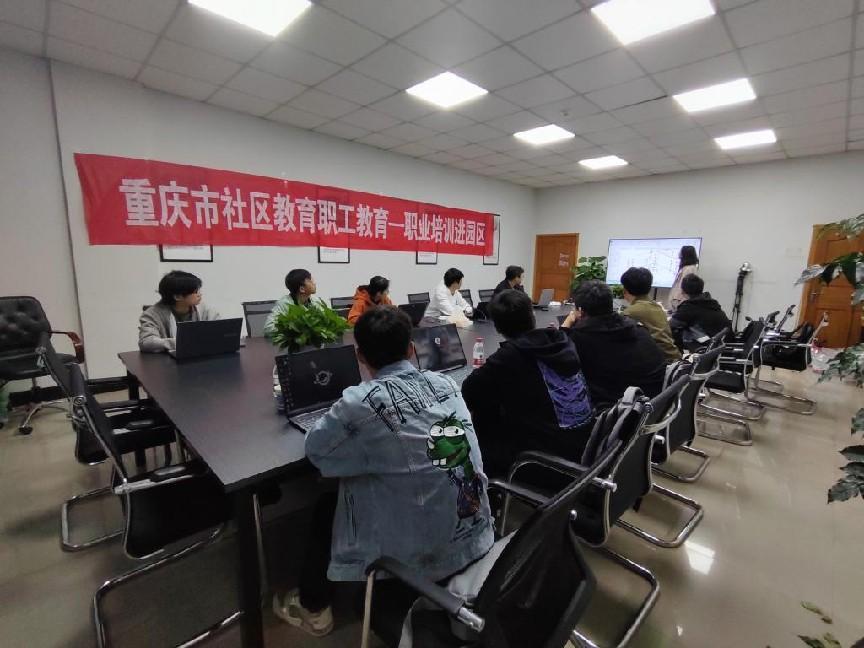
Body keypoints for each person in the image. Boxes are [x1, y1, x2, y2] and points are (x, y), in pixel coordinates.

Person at [273, 306, 494, 636]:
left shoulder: (360, 402)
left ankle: (314, 608)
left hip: (423, 560)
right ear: (411, 349)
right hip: (477, 537)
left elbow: (318, 452)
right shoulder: (446, 383)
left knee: (327, 506)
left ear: (360, 356)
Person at [461, 290, 594, 477]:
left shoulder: (510, 356)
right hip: (585, 443)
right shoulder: (561, 341)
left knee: (484, 410)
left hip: (546, 460)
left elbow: (468, 392)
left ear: (497, 327)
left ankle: (487, 481)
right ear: (532, 315)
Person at [560, 280, 666, 409]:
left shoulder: (580, 337)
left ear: (580, 311)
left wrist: (565, 327)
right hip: (656, 405)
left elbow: (558, 363)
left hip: (617, 411)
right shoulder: (638, 329)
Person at [138, 270, 219, 353]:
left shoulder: (203, 308)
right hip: (168, 359)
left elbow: (220, 331)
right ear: (177, 297)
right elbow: (146, 342)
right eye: (195, 292)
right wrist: (182, 343)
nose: (199, 294)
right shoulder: (152, 314)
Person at [620, 267, 681, 363]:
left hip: (660, 362)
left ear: (625, 290)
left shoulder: (630, 313)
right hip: (674, 358)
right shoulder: (657, 307)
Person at [669, 274, 733, 351]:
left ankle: (674, 356)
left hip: (706, 348)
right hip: (723, 346)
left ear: (682, 291)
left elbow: (670, 325)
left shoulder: (689, 307)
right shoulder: (711, 303)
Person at [264, 268, 324, 336]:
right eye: (310, 281)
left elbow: (326, 320)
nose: (314, 283)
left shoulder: (315, 300)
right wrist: (294, 329)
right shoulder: (284, 303)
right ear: (302, 289)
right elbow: (268, 328)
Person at [667, 244, 700, 310]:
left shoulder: (689, 269)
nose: (679, 254)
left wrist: (677, 301)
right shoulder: (686, 268)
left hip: (680, 302)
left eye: (681, 252)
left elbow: (683, 287)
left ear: (685, 254)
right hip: (678, 302)